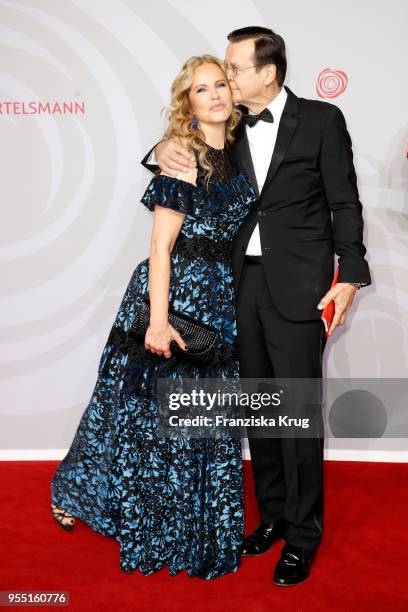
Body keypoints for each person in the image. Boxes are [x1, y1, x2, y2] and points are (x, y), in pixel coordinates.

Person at [142, 26, 371, 586]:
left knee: (296, 416)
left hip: (301, 286)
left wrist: (352, 276)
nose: (228, 78)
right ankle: (270, 516)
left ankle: (303, 534)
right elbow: (180, 150)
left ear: (267, 72)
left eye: (236, 68)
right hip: (237, 285)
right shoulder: (230, 124)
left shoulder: (321, 121)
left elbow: (344, 201)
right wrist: (159, 149)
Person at [50, 55, 258, 579]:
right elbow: (161, 248)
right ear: (186, 104)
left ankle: (191, 518)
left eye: (219, 85)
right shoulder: (182, 156)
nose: (213, 95)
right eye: (200, 90)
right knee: (137, 410)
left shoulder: (238, 150)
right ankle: (86, 493)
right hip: (175, 291)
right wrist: (158, 322)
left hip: (218, 297)